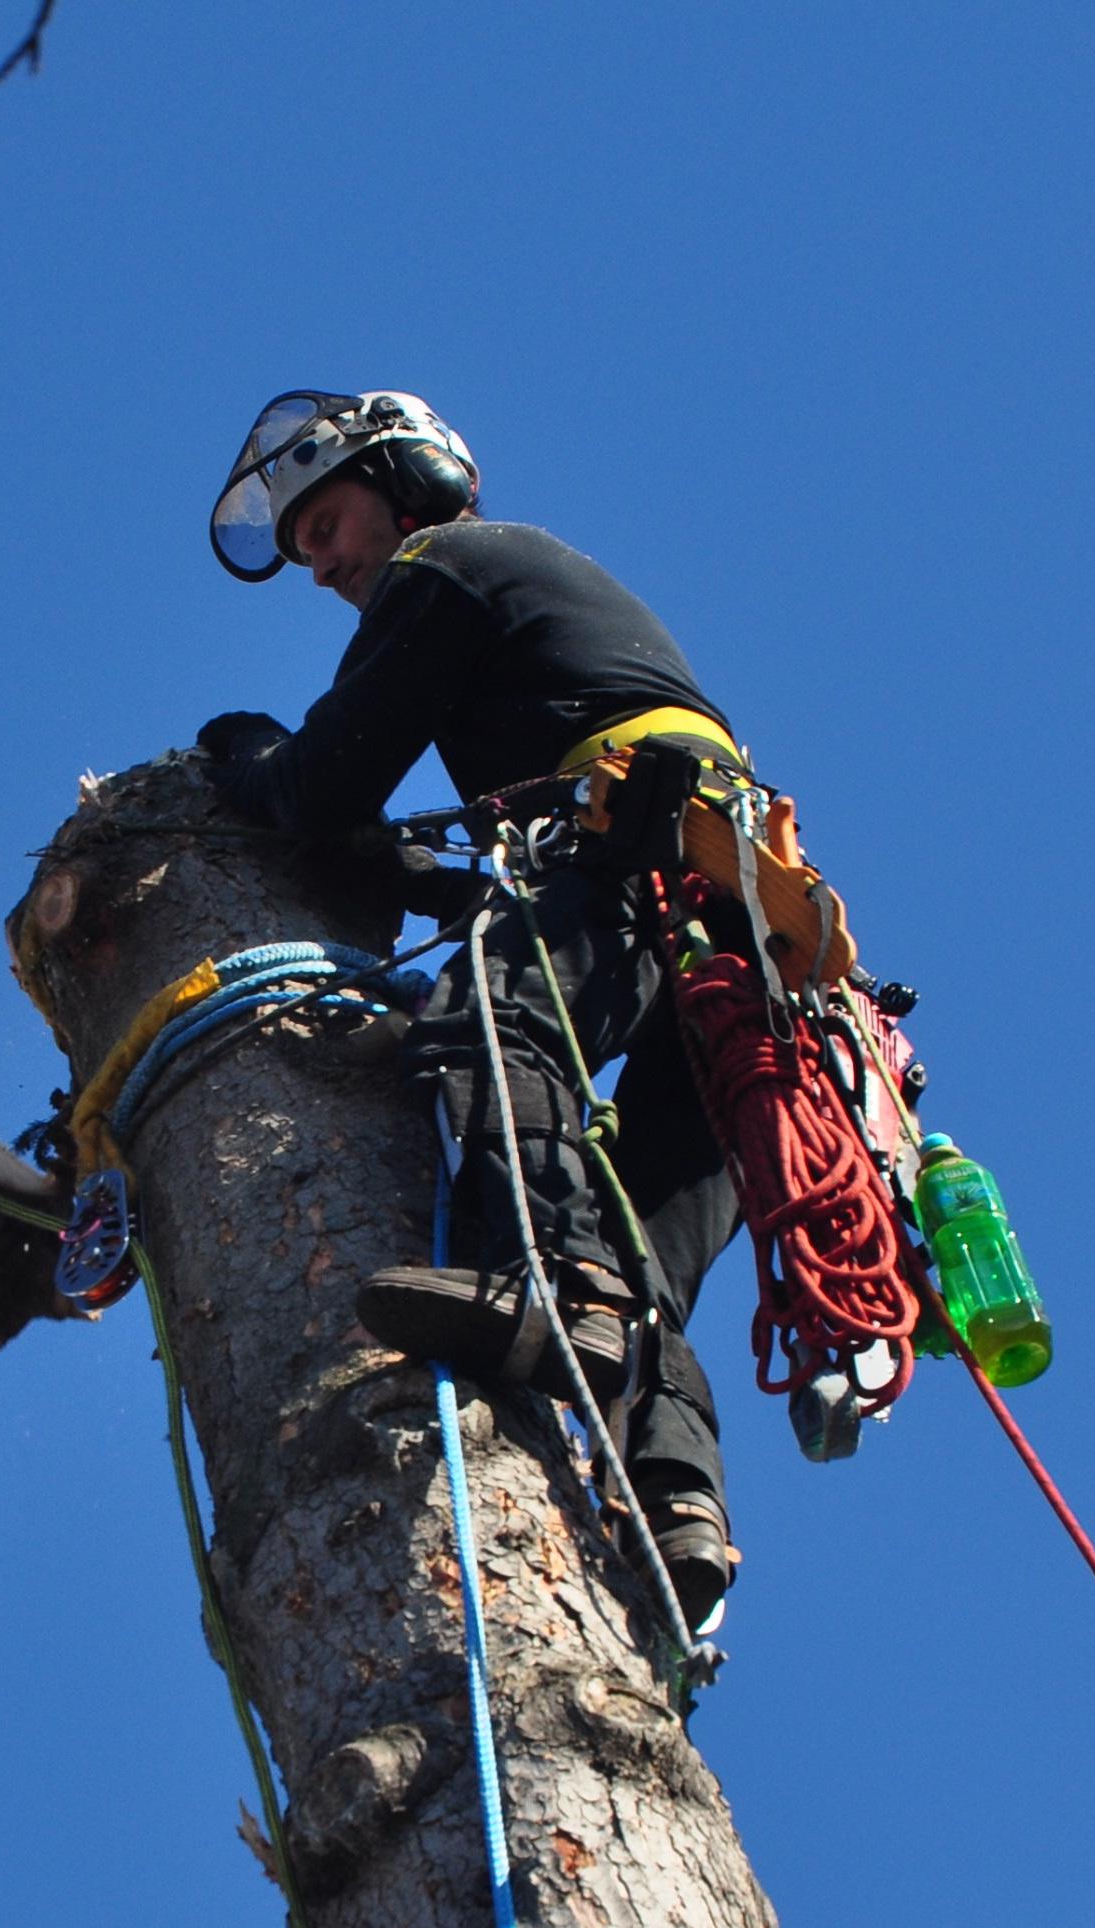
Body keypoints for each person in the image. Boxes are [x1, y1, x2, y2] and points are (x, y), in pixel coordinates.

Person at [194, 389, 747, 1624]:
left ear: (405, 488)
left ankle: (554, 1290)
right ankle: (676, 1498)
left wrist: (242, 757)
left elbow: (327, 780)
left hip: (640, 861)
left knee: (488, 1015)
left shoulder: (448, 565)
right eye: (301, 549)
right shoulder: (539, 616)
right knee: (641, 1236)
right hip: (743, 940)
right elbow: (427, 846)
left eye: (327, 522)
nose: (323, 563)